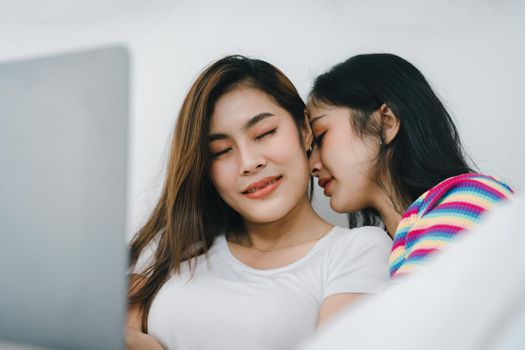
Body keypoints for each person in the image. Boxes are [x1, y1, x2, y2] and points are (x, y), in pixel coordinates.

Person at [126, 55, 392, 350]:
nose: (249, 163)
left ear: (304, 130)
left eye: (265, 134)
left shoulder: (357, 250)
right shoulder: (176, 250)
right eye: (221, 151)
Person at [307, 53, 513, 278]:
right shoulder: (377, 256)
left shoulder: (471, 199)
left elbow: (420, 312)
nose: (312, 165)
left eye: (320, 137)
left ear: (386, 123)